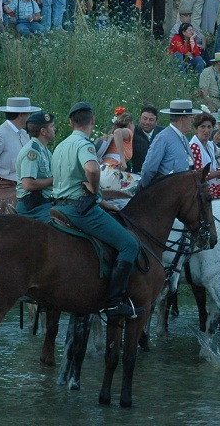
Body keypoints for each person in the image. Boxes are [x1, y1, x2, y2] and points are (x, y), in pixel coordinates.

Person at [51, 101, 140, 319]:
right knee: (130, 244)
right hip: (80, 210)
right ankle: (113, 303)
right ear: (91, 121)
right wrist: (94, 190)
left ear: (71, 122)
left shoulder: (60, 145)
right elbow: (92, 168)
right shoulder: (85, 144)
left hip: (57, 206)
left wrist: (101, 200)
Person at [0, 96, 39, 214]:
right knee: (23, 204)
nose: (29, 117)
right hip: (2, 186)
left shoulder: (25, 134)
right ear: (21, 115)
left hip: (21, 185)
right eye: (28, 114)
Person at [139, 99, 202, 188]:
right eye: (190, 118)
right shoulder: (163, 138)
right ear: (182, 119)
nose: (192, 122)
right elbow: (148, 170)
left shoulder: (183, 138)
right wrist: (148, 191)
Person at [14, 111, 55, 222]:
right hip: (33, 206)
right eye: (52, 126)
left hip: (43, 203)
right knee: (60, 227)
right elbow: (28, 185)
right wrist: (55, 180)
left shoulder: (44, 150)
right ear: (43, 131)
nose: (54, 129)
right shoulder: (32, 152)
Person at [99, 109, 140, 195]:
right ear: (130, 123)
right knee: (141, 182)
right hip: (111, 171)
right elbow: (118, 132)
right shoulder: (128, 131)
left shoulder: (111, 137)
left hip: (100, 172)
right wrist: (122, 158)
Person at [130, 106, 159, 174]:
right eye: (145, 119)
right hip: (135, 174)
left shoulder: (162, 133)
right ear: (140, 118)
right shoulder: (132, 132)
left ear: (156, 121)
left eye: (151, 120)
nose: (147, 122)